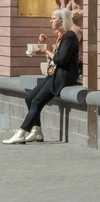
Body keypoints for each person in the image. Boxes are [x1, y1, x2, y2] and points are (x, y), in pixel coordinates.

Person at [5, 9, 80, 145]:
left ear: (62, 21)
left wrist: (45, 50)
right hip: (55, 74)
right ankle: (37, 130)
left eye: (53, 19)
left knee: (36, 102)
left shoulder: (69, 36)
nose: (50, 21)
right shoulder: (63, 36)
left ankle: (21, 132)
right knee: (29, 97)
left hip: (63, 76)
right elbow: (56, 54)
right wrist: (48, 43)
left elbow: (60, 60)